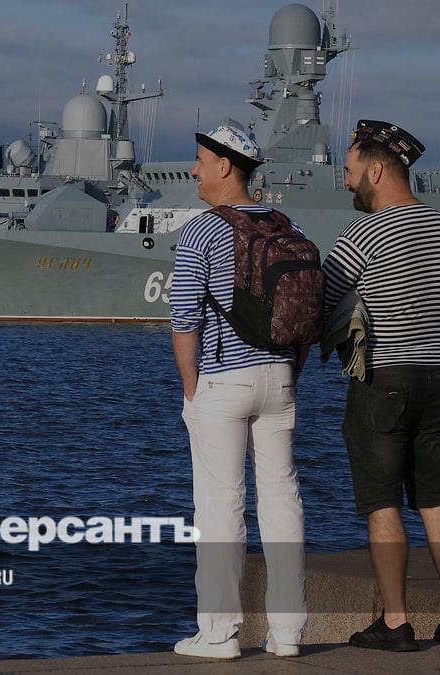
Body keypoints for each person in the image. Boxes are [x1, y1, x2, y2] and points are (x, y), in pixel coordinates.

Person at [322, 120, 440, 652]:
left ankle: (396, 622)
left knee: (383, 503)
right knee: (436, 500)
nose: (346, 182)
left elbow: (323, 300)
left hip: (384, 381)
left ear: (376, 170)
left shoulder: (363, 233)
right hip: (439, 380)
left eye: (349, 171)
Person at [170, 121, 309, 659]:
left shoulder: (201, 231)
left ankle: (219, 633)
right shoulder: (288, 225)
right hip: (280, 379)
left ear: (225, 166)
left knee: (220, 505)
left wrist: (191, 391)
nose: (194, 171)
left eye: (201, 161)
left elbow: (185, 320)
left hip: (223, 380)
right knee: (282, 500)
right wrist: (288, 372)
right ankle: (288, 633)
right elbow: (303, 314)